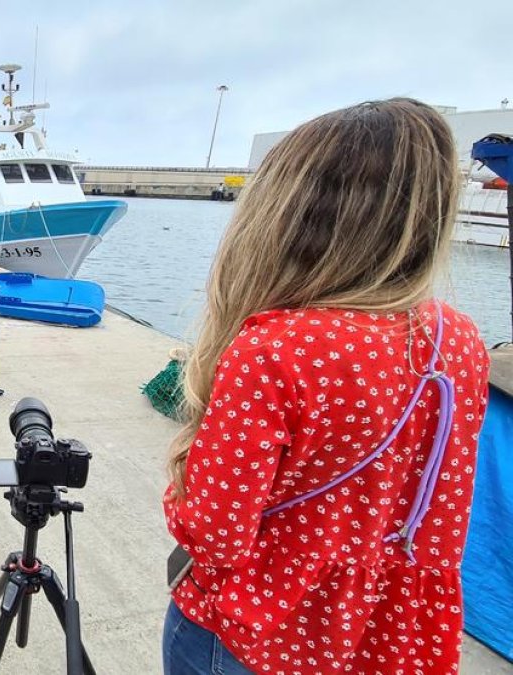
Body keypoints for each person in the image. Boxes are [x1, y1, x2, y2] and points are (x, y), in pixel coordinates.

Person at [162, 98, 491, 675]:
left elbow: (216, 537)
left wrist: (177, 493)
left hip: (259, 633)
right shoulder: (457, 337)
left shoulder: (274, 349)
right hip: (383, 636)